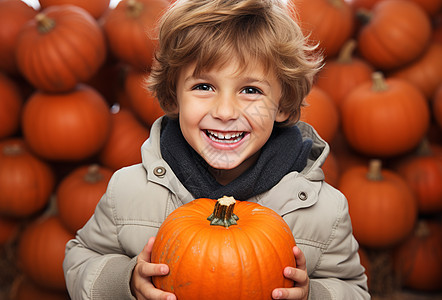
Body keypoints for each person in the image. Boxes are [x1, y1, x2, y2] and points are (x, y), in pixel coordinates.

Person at [63, 0, 370, 299]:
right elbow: (81, 259)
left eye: (251, 90)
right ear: (173, 98)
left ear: (283, 104)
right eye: (204, 87)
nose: (225, 111)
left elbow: (353, 288)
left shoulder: (322, 210)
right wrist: (126, 282)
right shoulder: (129, 192)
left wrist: (312, 295)